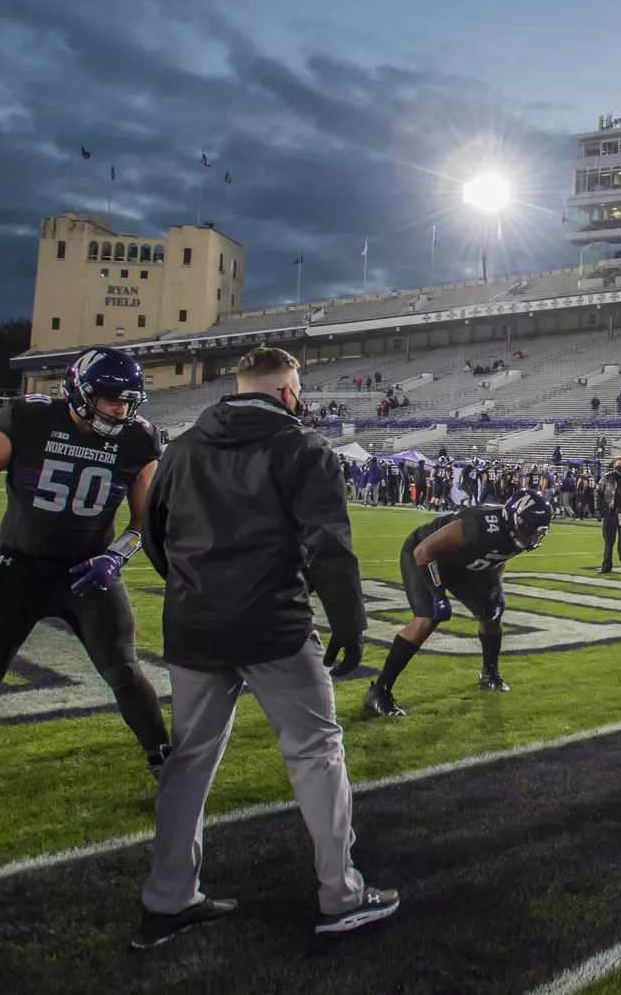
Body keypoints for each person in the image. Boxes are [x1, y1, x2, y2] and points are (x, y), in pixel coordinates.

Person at [132, 346, 397, 946]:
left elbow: (154, 534)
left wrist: (196, 588)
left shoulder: (183, 447)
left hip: (194, 624)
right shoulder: (303, 447)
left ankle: (169, 897)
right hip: (273, 625)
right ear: (286, 392)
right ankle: (340, 892)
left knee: (188, 762)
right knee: (315, 752)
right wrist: (350, 625)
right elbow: (328, 544)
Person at [0, 350, 171, 819]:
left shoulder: (138, 439)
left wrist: (115, 556)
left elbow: (144, 522)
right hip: (18, 567)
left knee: (124, 670)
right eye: (110, 400)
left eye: (128, 401)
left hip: (87, 573)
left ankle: (167, 764)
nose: (120, 411)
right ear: (81, 393)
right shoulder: (29, 418)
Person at [363, 489, 553, 717]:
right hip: (424, 556)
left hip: (461, 564)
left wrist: (496, 589)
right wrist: (438, 595)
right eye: (530, 529)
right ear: (515, 520)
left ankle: (489, 672)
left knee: (491, 613)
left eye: (537, 531)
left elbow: (497, 557)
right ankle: (379, 691)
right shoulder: (480, 525)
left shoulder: (515, 534)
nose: (533, 537)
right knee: (427, 619)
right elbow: (424, 551)